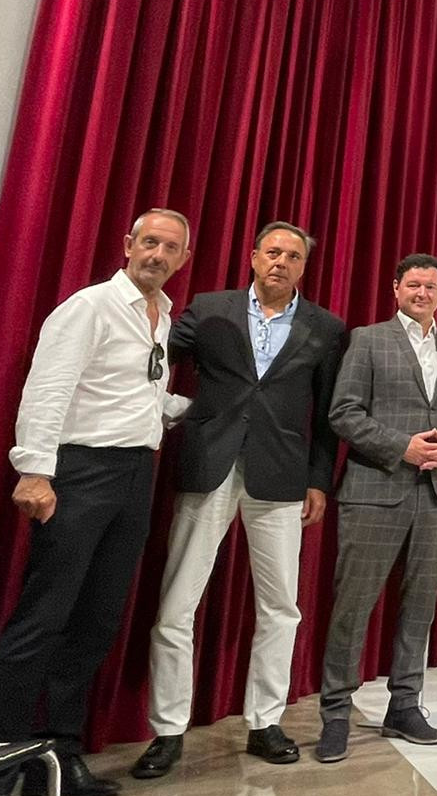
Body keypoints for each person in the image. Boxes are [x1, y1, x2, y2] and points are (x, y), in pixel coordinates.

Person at [131, 222, 345, 779]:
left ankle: (265, 721)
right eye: (272, 251)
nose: (281, 262)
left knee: (282, 608)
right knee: (176, 606)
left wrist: (318, 481)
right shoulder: (209, 309)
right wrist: (174, 411)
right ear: (253, 256)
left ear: (303, 267)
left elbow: (326, 416)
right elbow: (150, 360)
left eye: (293, 256)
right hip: (209, 465)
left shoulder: (326, 327)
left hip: (282, 477)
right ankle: (167, 730)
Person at [0, 209, 192, 796]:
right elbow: (48, 387)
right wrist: (34, 470)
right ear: (128, 243)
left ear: (183, 259)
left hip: (135, 475)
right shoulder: (90, 307)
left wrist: (196, 413)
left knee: (97, 619)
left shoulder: (162, 316)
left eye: (171, 248)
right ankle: (7, 752)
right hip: (79, 473)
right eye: (150, 242)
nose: (158, 255)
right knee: (45, 614)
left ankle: (61, 751)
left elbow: (138, 393)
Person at [314, 253, 437, 764]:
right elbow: (343, 412)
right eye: (413, 285)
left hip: (435, 496)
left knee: (419, 607)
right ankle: (336, 714)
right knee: (353, 605)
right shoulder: (367, 340)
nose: (422, 293)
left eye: (431, 286)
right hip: (373, 490)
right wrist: (401, 446)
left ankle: (404, 706)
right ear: (396, 289)